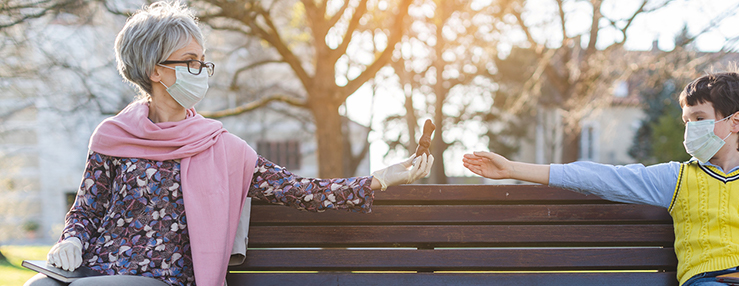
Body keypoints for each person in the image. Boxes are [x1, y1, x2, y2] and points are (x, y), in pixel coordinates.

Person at [24, 2, 434, 286]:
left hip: (161, 278)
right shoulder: (111, 137)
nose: (201, 70)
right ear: (155, 71)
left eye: (202, 60)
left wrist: (379, 178)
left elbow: (303, 191)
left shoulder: (225, 148)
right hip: (95, 271)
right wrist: (71, 241)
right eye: (189, 61)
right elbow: (86, 211)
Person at [463, 72, 739, 286]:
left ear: (735, 122)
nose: (689, 130)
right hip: (711, 282)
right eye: (686, 121)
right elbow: (598, 177)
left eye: (699, 118)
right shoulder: (676, 178)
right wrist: (512, 169)